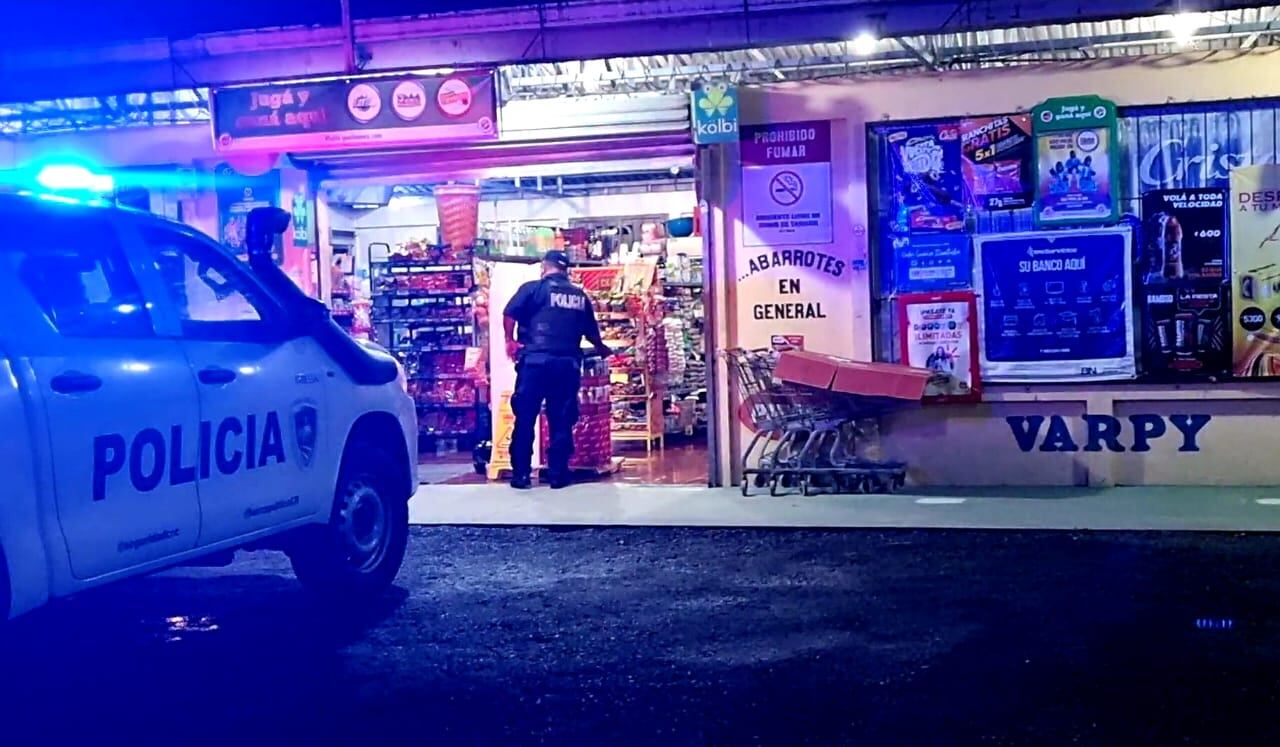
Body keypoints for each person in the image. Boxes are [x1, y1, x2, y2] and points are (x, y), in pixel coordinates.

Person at [503, 250, 612, 490]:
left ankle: (521, 475)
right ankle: (558, 474)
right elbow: (591, 332)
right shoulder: (579, 296)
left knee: (525, 417)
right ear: (566, 270)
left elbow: (509, 313)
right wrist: (602, 348)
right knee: (562, 419)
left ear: (545, 266)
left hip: (534, 363)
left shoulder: (532, 289)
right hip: (566, 364)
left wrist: (509, 340)